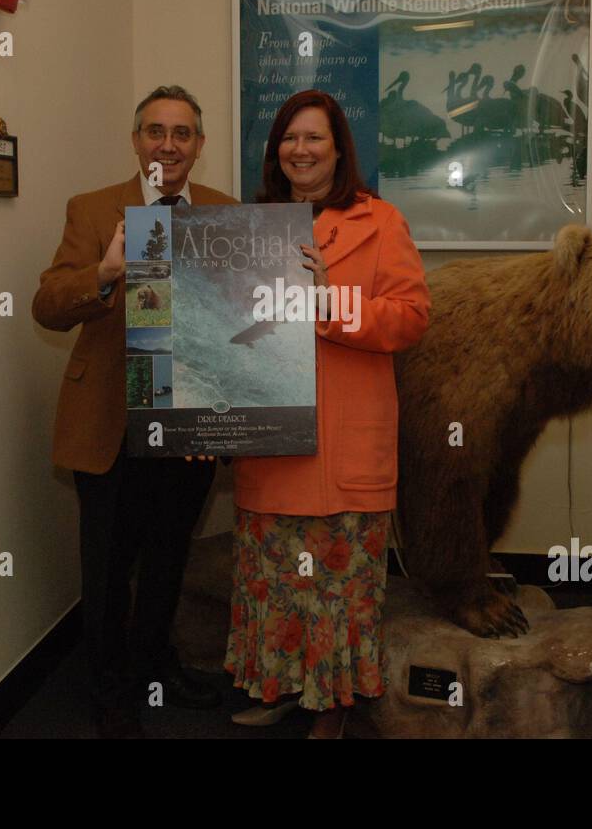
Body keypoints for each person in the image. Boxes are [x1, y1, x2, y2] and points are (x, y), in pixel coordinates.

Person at [224, 90, 430, 738]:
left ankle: (333, 703)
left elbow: (411, 318)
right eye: (289, 138)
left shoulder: (381, 222)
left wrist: (329, 302)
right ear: (275, 151)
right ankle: (281, 685)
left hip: (345, 446)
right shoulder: (248, 230)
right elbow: (227, 331)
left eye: (315, 137)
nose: (301, 149)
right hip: (274, 441)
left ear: (340, 148)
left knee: (338, 590)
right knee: (276, 581)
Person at [32, 85, 236, 738]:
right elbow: (47, 304)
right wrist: (106, 269)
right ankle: (109, 692)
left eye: (182, 133)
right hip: (110, 423)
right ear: (136, 139)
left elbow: (238, 318)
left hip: (188, 422)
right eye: (155, 130)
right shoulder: (92, 209)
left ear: (198, 147)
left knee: (169, 556)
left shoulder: (225, 212)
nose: (168, 144)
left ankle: (156, 664)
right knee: (108, 567)